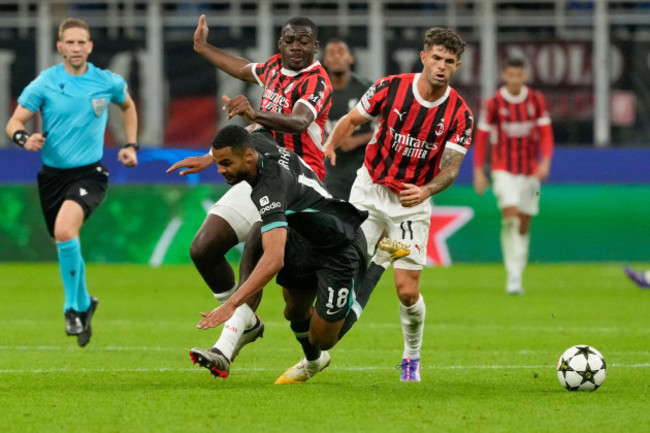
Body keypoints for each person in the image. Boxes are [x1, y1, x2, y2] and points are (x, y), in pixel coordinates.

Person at [167, 15, 332, 372]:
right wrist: (201, 47)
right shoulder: (272, 68)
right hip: (259, 169)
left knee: (277, 276)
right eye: (290, 40)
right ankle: (246, 323)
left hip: (297, 181)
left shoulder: (317, 80)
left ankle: (226, 343)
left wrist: (254, 112)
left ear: (315, 46)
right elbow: (243, 68)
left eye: (305, 41)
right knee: (203, 248)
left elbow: (300, 121)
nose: (297, 47)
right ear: (280, 44)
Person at [189, 125, 402, 383]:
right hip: (302, 240)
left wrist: (231, 304)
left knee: (323, 338)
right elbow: (254, 130)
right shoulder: (256, 145)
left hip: (339, 249)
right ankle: (309, 360)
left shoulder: (271, 186)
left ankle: (379, 261)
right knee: (294, 311)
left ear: (247, 157)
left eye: (225, 163)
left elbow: (274, 259)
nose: (220, 170)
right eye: (218, 163)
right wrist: (207, 157)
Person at [324, 27, 473, 382]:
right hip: (371, 188)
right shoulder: (389, 87)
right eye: (436, 58)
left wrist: (426, 191)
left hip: (412, 200)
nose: (441, 66)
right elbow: (352, 120)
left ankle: (411, 357)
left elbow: (451, 169)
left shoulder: (460, 115)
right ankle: (318, 328)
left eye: (449, 62)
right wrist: (330, 144)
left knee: (407, 292)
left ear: (457, 66)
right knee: (347, 263)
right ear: (423, 57)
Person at [5, 18, 139, 347]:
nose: (76, 48)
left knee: (65, 231)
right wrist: (25, 139)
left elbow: (128, 105)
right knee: (66, 240)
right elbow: (14, 121)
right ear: (60, 47)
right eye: (70, 43)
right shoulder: (45, 83)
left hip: (89, 173)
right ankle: (84, 303)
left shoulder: (105, 81)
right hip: (52, 177)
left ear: (90, 47)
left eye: (82, 42)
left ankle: (71, 309)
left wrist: (131, 144)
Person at [473, 58, 554, 295]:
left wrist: (546, 161)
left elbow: (546, 133)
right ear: (505, 76)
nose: (515, 80)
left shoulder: (536, 101)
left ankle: (518, 267)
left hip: (531, 172)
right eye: (511, 75)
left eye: (519, 75)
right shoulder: (494, 103)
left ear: (524, 76)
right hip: (503, 170)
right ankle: (513, 276)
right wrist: (479, 170)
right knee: (510, 216)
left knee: (524, 221)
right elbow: (481, 138)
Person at [322, 38, 374, 200]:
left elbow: (387, 127)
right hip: (331, 171)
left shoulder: (366, 88)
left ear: (350, 58)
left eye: (341, 52)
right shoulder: (317, 90)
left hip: (364, 169)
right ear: (325, 61)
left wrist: (356, 140)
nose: (337, 57)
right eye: (332, 53)